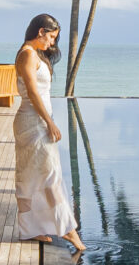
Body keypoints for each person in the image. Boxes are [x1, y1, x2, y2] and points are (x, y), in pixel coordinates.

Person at [12, 14, 85, 251]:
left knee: (35, 175)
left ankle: (32, 229)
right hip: (33, 122)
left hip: (39, 120)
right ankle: (67, 230)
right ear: (40, 31)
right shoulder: (26, 54)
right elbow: (32, 93)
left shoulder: (34, 54)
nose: (52, 43)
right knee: (49, 174)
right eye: (51, 37)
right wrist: (49, 123)